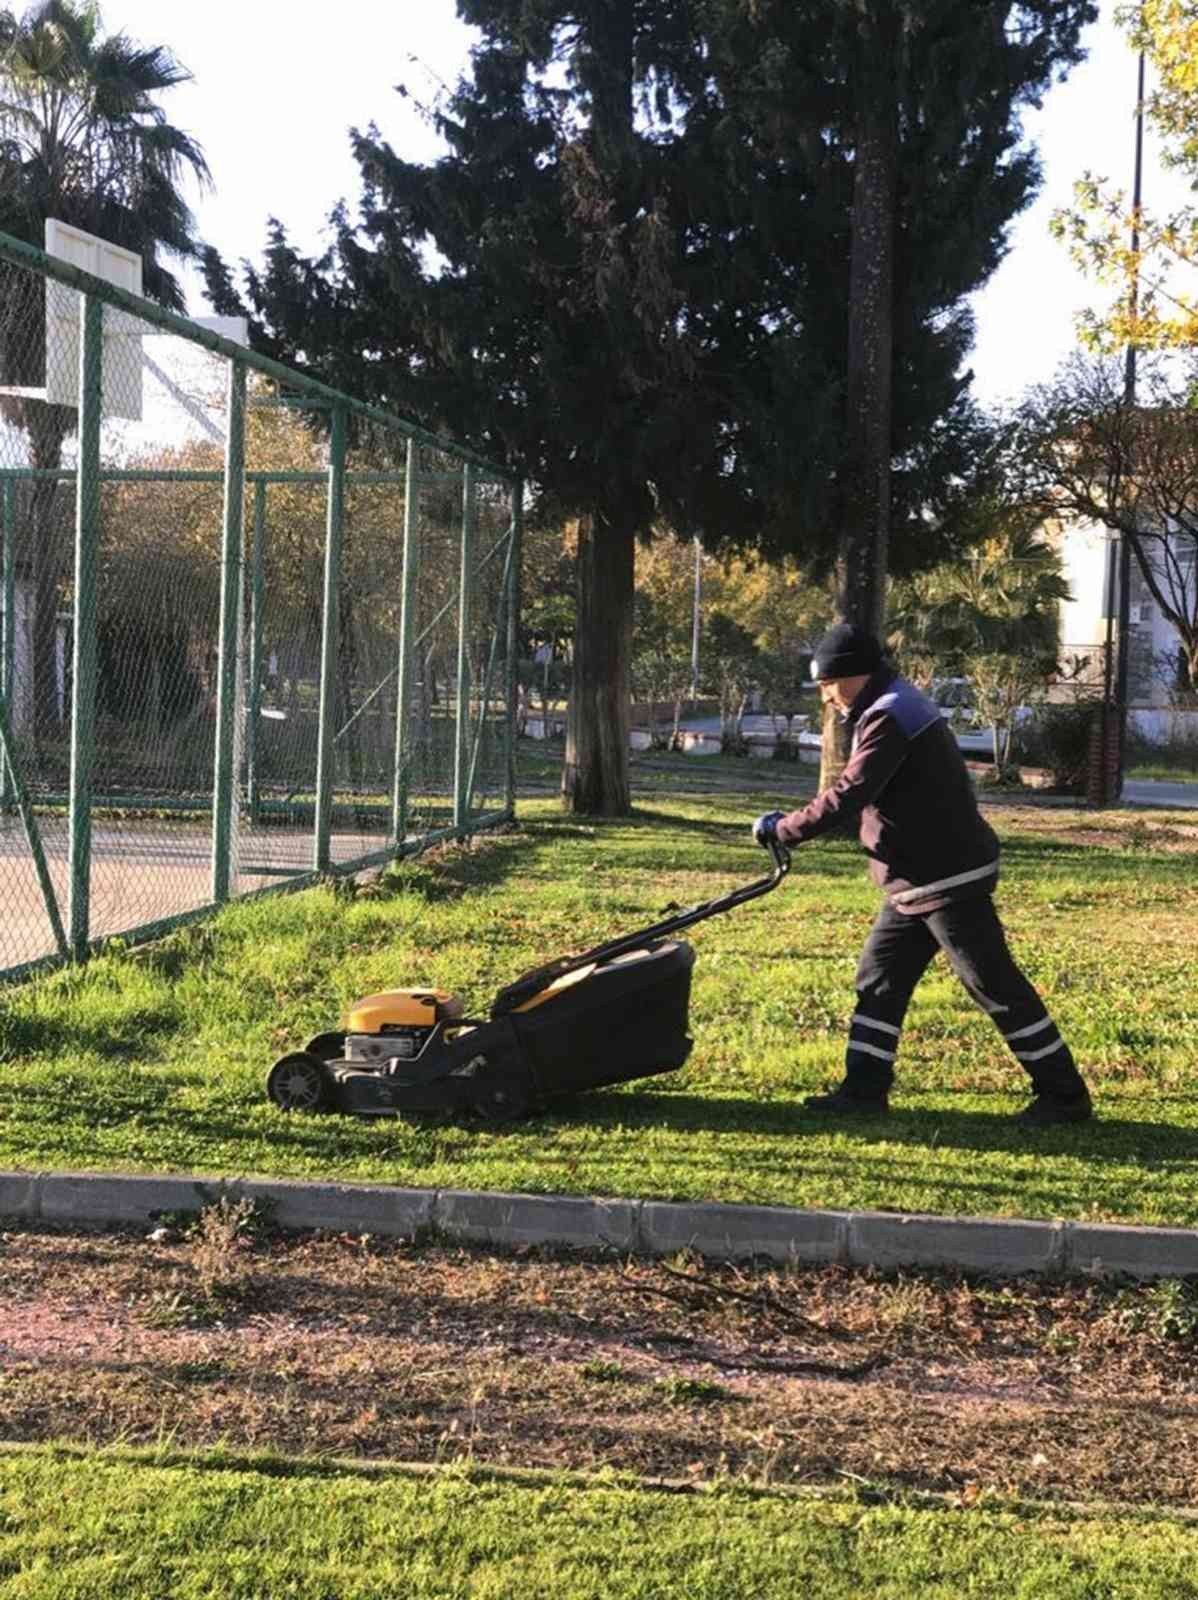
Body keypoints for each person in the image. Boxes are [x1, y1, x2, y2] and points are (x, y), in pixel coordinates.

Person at [752, 622, 1092, 1125]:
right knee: (879, 979)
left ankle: (1064, 1096)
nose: (826, 696)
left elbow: (851, 793)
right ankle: (863, 1091)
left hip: (945, 876)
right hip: (915, 880)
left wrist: (783, 829)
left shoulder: (891, 715)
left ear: (856, 674)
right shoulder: (890, 704)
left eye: (829, 683)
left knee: (992, 983)